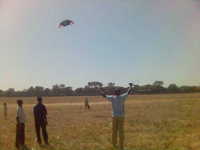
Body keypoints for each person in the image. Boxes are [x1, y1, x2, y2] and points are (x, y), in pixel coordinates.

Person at [100, 83, 133, 150]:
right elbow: (128, 92)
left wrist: (101, 90)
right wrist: (130, 86)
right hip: (121, 116)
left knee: (114, 131)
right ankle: (121, 146)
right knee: (121, 131)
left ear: (115, 93)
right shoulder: (123, 97)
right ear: (120, 92)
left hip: (114, 116)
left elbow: (104, 95)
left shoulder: (112, 97)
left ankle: (114, 144)